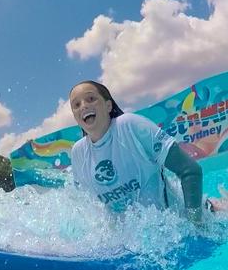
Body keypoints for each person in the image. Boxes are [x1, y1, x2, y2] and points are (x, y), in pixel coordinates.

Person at [68, 80, 217, 224]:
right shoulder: (78, 153)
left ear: (108, 105)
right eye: (76, 104)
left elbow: (190, 170)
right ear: (75, 117)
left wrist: (195, 224)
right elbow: (90, 208)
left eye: (91, 98)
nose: (83, 106)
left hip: (187, 218)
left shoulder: (129, 126)